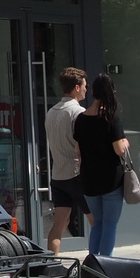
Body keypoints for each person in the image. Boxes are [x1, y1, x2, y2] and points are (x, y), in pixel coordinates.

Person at [71, 73, 129, 256]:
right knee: (110, 224)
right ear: (111, 92)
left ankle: (93, 263)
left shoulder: (81, 119)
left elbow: (78, 151)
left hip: (89, 178)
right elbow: (119, 149)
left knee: (97, 224)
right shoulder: (111, 117)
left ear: (94, 92)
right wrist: (126, 142)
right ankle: (105, 265)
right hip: (110, 178)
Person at [43, 66, 86, 255]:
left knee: (60, 223)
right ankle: (100, 264)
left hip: (58, 174)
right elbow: (81, 145)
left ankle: (51, 263)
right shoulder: (78, 113)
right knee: (96, 220)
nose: (86, 89)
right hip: (76, 173)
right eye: (84, 85)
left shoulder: (51, 112)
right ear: (76, 87)